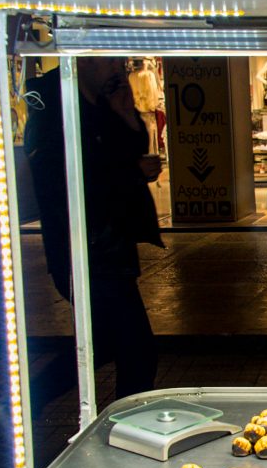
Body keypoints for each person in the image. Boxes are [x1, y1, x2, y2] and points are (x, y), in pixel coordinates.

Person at [21, 57, 164, 415]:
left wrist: (125, 111)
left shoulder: (105, 98)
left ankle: (19, 404)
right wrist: (128, 171)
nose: (118, 67)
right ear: (84, 59)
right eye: (109, 58)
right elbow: (64, 181)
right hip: (86, 250)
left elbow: (127, 149)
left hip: (111, 244)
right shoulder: (53, 102)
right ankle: (125, 424)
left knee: (106, 342)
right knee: (135, 348)